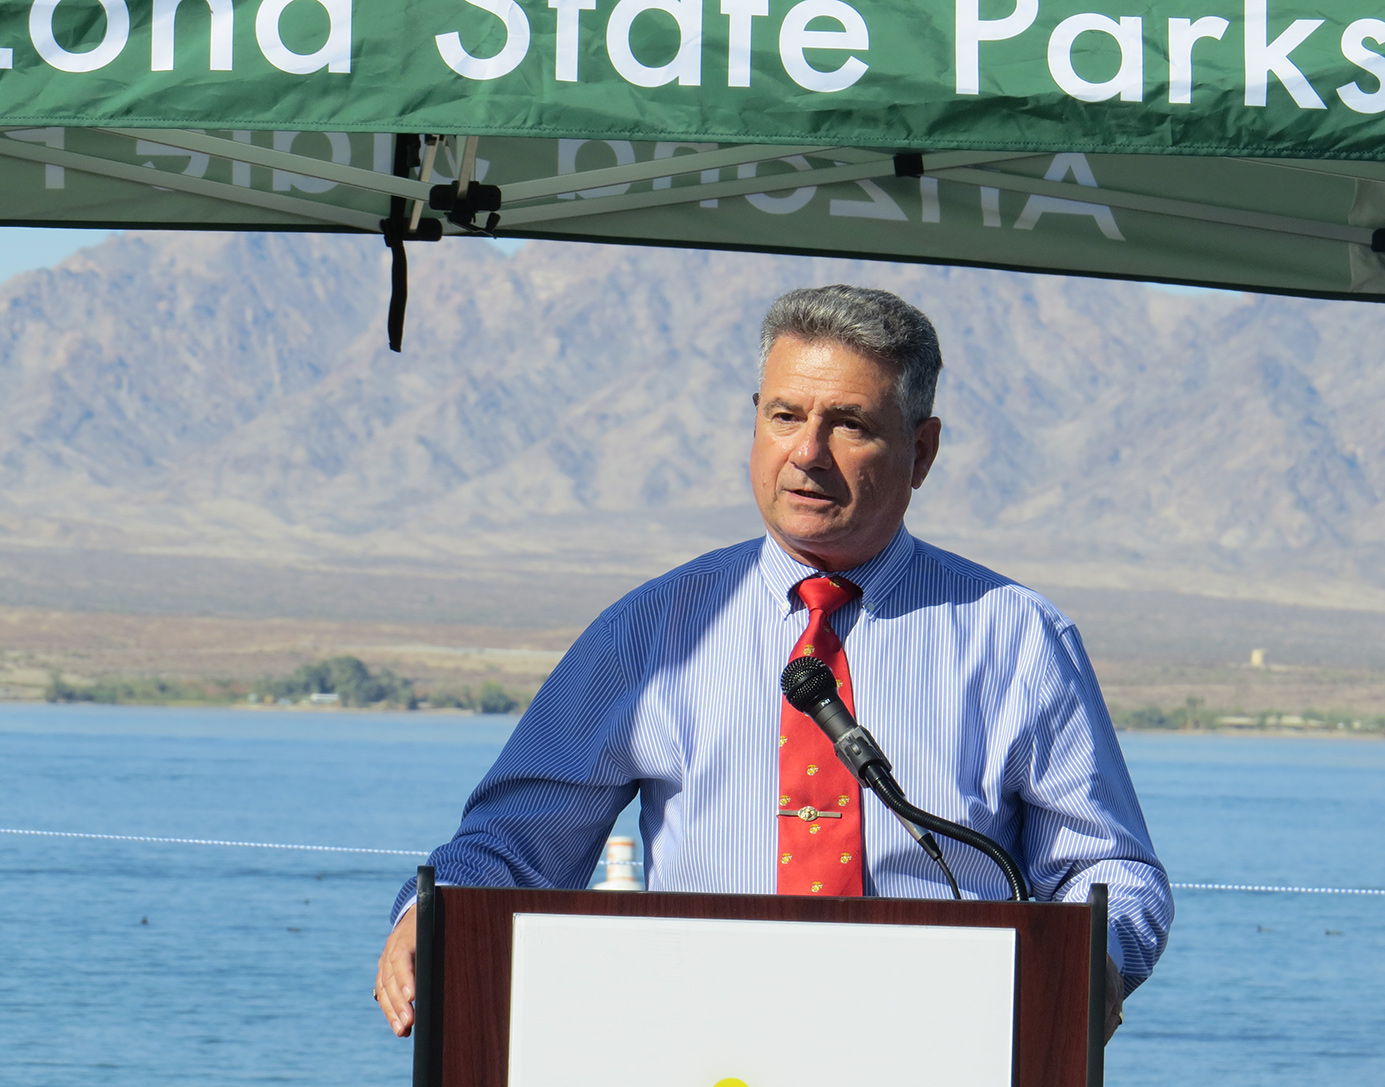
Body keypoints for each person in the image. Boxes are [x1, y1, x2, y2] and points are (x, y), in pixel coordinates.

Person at [375, 284, 1172, 1038]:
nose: (808, 453)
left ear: (921, 450)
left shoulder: (1017, 639)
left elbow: (1109, 870)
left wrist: (1096, 958)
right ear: (754, 422)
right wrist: (425, 915)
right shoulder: (652, 630)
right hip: (699, 1056)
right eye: (786, 415)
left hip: (940, 1049)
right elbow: (513, 845)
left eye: (850, 423)